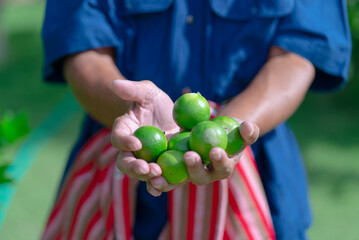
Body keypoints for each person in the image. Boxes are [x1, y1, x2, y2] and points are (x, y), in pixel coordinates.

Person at [40, 0, 351, 239]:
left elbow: (297, 53)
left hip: (259, 166)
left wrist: (227, 130)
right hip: (122, 155)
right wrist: (131, 110)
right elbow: (82, 46)